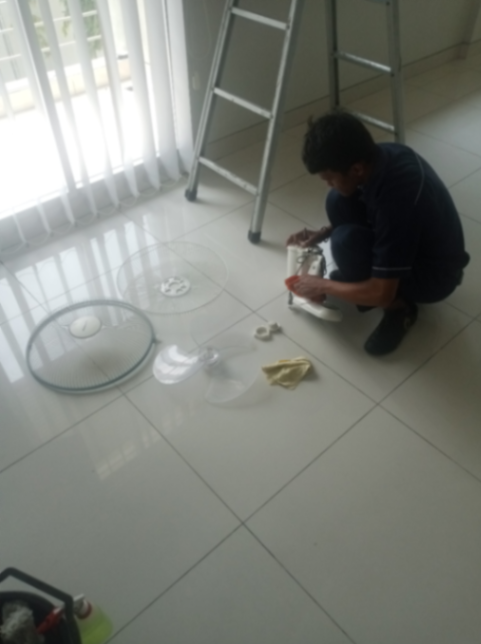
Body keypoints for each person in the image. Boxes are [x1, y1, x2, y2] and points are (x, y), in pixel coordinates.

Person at [286, 109, 470, 356]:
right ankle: (366, 277)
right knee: (337, 201)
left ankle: (399, 308)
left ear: (356, 169)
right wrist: (322, 233)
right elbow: (380, 214)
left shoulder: (398, 199)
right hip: (414, 241)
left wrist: (323, 285)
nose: (328, 183)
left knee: (345, 242)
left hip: (435, 277)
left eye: (330, 178)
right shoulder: (378, 156)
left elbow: (381, 293)